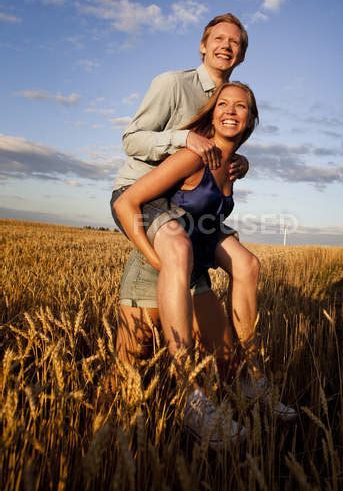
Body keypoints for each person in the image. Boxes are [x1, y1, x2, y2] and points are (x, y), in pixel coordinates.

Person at [113, 83, 297, 448]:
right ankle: (167, 415)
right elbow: (126, 204)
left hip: (191, 273)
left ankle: (252, 384)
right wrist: (160, 262)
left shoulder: (229, 164)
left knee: (229, 354)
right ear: (211, 113)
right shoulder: (192, 156)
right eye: (222, 104)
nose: (230, 111)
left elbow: (209, 222)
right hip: (155, 272)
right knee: (126, 380)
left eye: (240, 106)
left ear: (250, 119)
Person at [111, 14, 259, 372]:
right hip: (145, 195)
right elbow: (131, 140)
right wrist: (184, 138)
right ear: (202, 45)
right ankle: (187, 388)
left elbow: (221, 145)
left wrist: (239, 160)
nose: (226, 46)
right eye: (218, 38)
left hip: (188, 209)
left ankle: (252, 373)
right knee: (129, 374)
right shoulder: (173, 84)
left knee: (246, 263)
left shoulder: (227, 97)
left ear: (240, 55)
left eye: (234, 42)